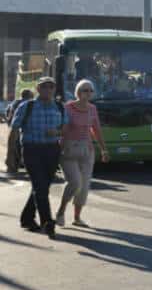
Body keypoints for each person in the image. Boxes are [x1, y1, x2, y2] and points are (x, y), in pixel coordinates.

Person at [10, 76, 68, 239]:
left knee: (41, 186)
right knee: (40, 186)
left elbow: (65, 129)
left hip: (52, 150)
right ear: (37, 89)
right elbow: (14, 129)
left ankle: (27, 219)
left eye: (51, 87)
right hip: (31, 150)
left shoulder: (59, 107)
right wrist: (10, 157)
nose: (48, 90)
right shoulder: (26, 107)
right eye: (44, 87)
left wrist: (56, 133)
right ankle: (47, 222)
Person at [55, 80, 109, 228]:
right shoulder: (67, 108)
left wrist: (104, 149)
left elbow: (96, 129)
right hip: (68, 149)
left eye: (91, 90)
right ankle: (61, 211)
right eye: (85, 90)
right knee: (75, 183)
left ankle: (77, 218)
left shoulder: (92, 108)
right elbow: (61, 128)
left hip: (87, 151)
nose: (88, 93)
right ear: (78, 92)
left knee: (84, 186)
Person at [5, 89, 33, 173]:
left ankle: (12, 166)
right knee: (23, 146)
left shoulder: (14, 102)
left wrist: (9, 122)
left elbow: (8, 113)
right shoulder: (28, 103)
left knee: (13, 147)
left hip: (13, 127)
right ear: (29, 95)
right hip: (23, 128)